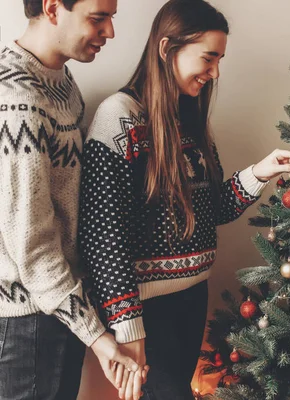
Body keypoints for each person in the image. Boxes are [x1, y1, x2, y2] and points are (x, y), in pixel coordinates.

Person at [78, 0, 290, 398]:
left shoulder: (190, 122)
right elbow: (101, 235)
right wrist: (127, 324)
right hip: (146, 311)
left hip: (193, 296)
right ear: (167, 49)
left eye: (220, 60)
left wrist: (259, 172)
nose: (214, 72)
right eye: (208, 58)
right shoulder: (119, 117)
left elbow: (211, 210)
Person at [0, 1, 146, 399]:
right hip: (25, 323)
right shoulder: (17, 101)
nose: (110, 32)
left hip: (58, 310)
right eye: (98, 17)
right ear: (51, 8)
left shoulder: (61, 83)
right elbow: (32, 247)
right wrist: (98, 336)